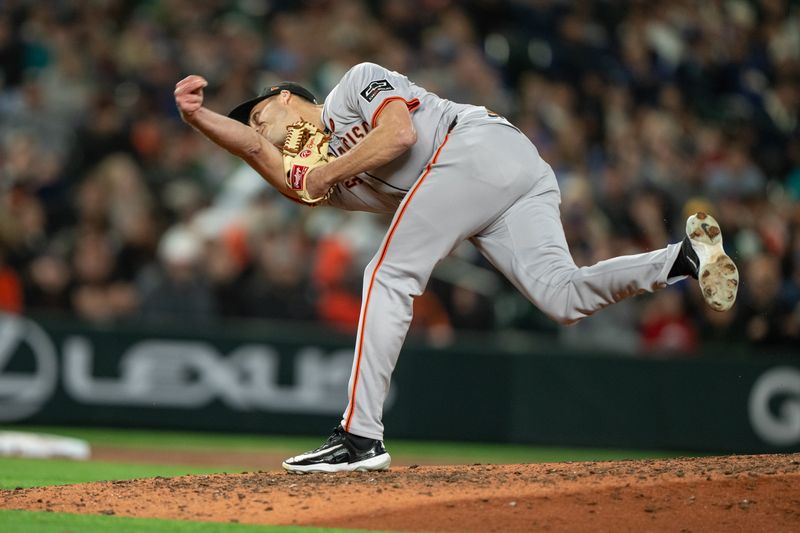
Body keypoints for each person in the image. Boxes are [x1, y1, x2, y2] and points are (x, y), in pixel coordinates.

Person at [174, 62, 739, 473]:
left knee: (386, 276)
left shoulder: (351, 88)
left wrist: (325, 174)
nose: (259, 126)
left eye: (260, 113)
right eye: (249, 122)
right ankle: (682, 259)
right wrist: (198, 117)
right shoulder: (326, 174)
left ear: (284, 96)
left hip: (477, 146)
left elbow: (400, 133)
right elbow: (255, 150)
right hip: (514, 179)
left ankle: (359, 436)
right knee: (561, 298)